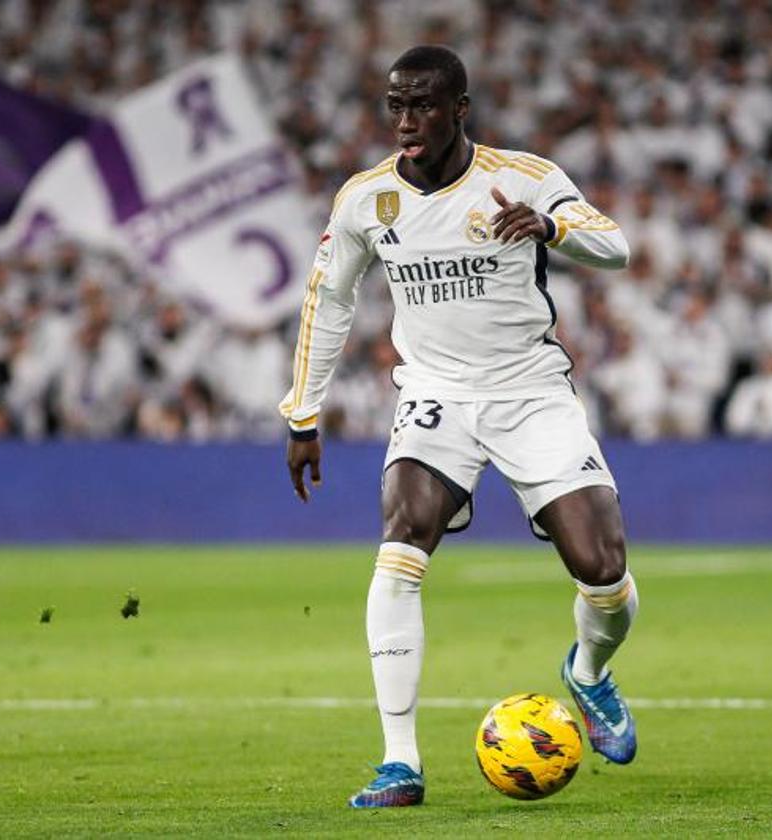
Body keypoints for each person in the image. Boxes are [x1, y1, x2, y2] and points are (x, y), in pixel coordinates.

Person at [280, 46, 638, 808]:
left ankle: (589, 673)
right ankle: (399, 763)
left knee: (602, 569)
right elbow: (329, 302)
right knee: (401, 540)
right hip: (435, 394)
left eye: (424, 107)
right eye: (395, 106)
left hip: (529, 391)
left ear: (460, 109)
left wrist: (549, 228)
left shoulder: (526, 177)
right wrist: (303, 413)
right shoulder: (364, 200)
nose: (406, 123)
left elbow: (616, 246)